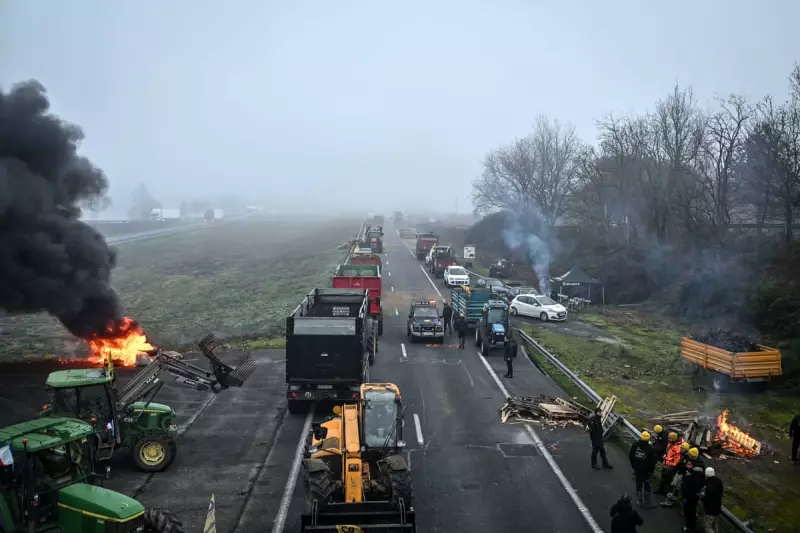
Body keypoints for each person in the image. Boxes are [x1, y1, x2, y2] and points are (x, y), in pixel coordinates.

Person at [628, 431, 657, 508]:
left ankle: (639, 501)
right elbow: (652, 462)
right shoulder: (650, 448)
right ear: (648, 439)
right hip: (646, 471)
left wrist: (634, 466)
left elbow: (631, 457)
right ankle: (647, 503)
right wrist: (651, 472)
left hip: (637, 469)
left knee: (638, 484)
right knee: (647, 486)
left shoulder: (635, 445)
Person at [681, 448, 706, 533]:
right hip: (692, 495)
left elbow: (688, 484)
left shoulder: (693, 473)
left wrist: (685, 496)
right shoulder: (698, 469)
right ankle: (690, 527)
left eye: (689, 464)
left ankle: (689, 527)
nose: (687, 465)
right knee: (690, 512)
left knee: (689, 512)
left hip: (689, 496)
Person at [661, 442, 692, 507]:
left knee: (673, 486)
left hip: (681, 474)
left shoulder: (686, 458)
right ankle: (673, 499)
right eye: (680, 448)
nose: (680, 449)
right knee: (676, 487)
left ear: (686, 450)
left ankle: (668, 501)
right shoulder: (682, 455)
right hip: (679, 473)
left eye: (682, 448)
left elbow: (682, 466)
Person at [700, 467, 723, 533]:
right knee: (715, 525)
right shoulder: (718, 481)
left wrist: (702, 497)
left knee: (707, 527)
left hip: (710, 509)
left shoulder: (710, 486)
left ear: (706, 474)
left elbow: (707, 498)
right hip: (718, 507)